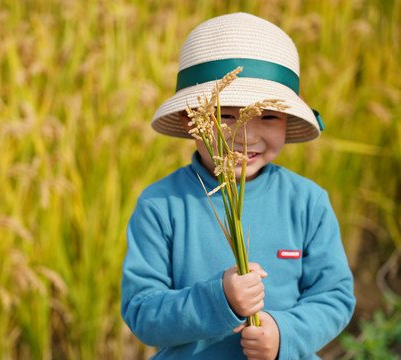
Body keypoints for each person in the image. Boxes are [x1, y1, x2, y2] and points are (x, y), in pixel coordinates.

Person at [120, 12, 355, 360]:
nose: (247, 136)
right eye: (226, 116)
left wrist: (283, 333)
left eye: (270, 116)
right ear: (191, 119)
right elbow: (142, 311)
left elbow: (333, 296)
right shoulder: (161, 204)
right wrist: (219, 300)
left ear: (288, 120)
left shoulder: (307, 202)